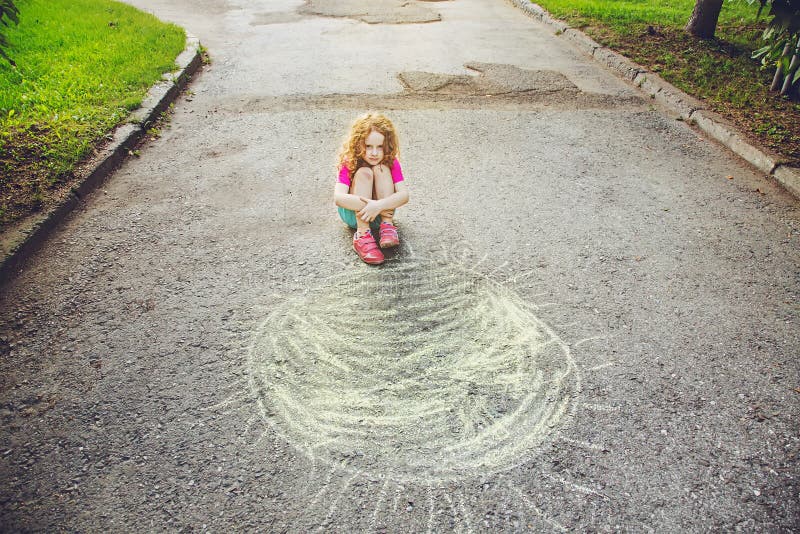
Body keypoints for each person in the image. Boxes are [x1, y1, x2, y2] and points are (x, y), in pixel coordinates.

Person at [333, 112, 410, 265]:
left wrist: (379, 205)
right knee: (364, 172)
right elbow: (338, 198)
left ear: (387, 146)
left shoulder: (390, 161)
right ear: (358, 143)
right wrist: (370, 206)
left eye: (380, 147)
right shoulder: (350, 161)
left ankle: (387, 226)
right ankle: (362, 235)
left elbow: (404, 195)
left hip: (382, 214)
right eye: (368, 146)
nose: (374, 153)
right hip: (355, 216)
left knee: (381, 169)